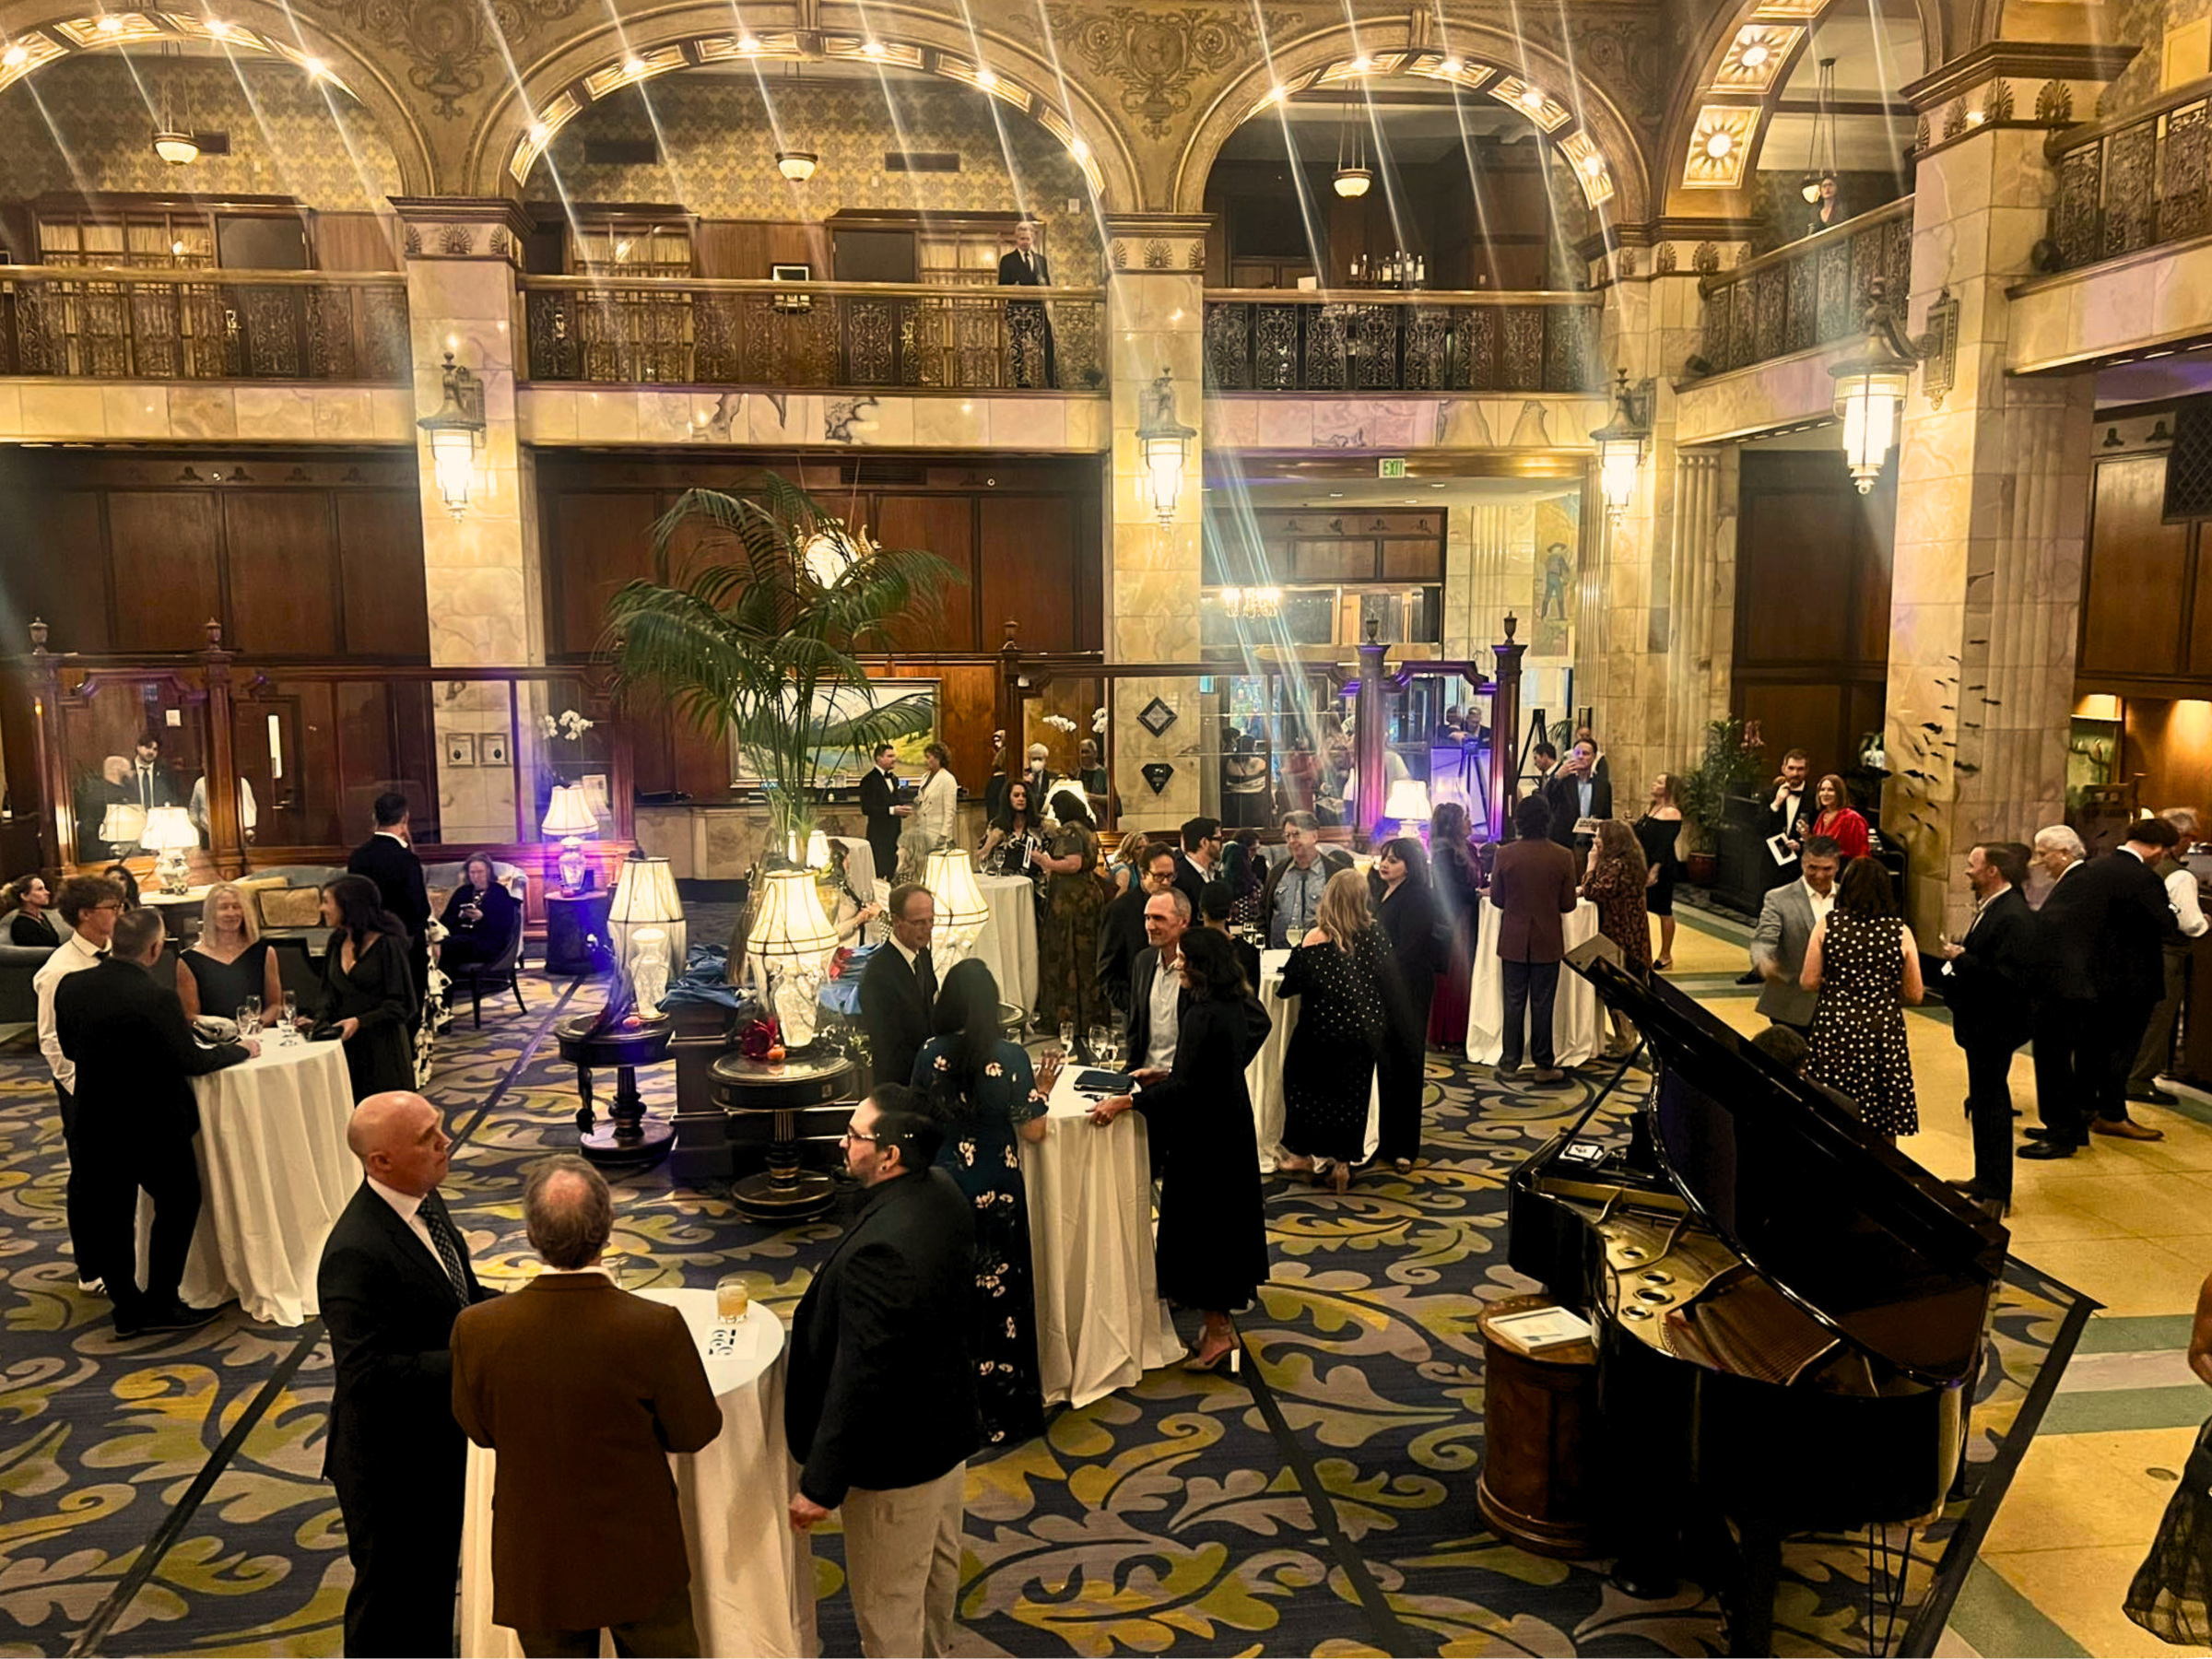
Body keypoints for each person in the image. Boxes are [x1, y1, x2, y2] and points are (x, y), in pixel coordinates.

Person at [451, 1156, 722, 1658]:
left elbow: (480, 1429)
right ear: (609, 1227)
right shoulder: (653, 1326)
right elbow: (694, 1430)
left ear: (531, 1234)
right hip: (639, 1554)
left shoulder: (477, 1329)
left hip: (539, 1560)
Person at [786, 1084, 979, 1659]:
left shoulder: (884, 1250)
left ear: (890, 1155)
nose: (845, 1144)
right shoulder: (942, 1192)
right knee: (935, 1576)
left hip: (896, 1458)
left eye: (855, 1135)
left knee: (888, 1604)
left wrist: (821, 1483)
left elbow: (861, 1372)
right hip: (945, 1429)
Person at [318, 1090, 496, 1658]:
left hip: (436, 1439)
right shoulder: (355, 1250)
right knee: (392, 1609)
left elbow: (460, 1296)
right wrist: (476, 1358)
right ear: (381, 1163)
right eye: (427, 1138)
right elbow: (366, 1375)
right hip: (390, 1464)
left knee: (430, 1596)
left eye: (439, 1127)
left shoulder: (423, 1198)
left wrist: (523, 1313)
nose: (444, 1142)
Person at [55, 905, 255, 1335]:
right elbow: (191, 1060)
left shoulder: (71, 986)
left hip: (94, 1120)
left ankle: (126, 1308)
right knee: (180, 1202)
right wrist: (241, 1050)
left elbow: (70, 1050)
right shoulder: (157, 998)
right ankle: (162, 1300)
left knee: (111, 1216)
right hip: (153, 1124)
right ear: (155, 949)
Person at [1087, 927, 1271, 1373]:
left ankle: (1219, 1335)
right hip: (1230, 1127)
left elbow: (1189, 1089)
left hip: (1204, 1142)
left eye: (1186, 960)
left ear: (1203, 965)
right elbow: (1205, 1071)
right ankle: (1217, 1324)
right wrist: (1171, 1073)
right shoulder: (1231, 1003)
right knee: (1223, 1229)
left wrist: (1126, 1101)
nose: (1180, 965)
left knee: (1202, 1235)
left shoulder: (1202, 1014)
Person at [913, 959, 1058, 1450]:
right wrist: (1041, 1091)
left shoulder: (931, 1054)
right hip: (998, 1189)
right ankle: (1001, 1412)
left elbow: (919, 1120)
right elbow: (1034, 1129)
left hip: (945, 1187)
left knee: (948, 1294)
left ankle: (947, 1407)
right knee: (1000, 1300)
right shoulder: (1011, 1057)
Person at [33, 874, 125, 1293]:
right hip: (83, 1089)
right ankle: (91, 1269)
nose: (120, 915)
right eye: (113, 908)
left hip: (122, 1081)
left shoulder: (119, 955)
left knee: (123, 1174)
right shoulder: (59, 970)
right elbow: (51, 1043)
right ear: (87, 915)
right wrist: (83, 1089)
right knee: (88, 1178)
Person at [1936, 841, 2037, 1207]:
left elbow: (2009, 978)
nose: (1967, 869)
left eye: (1973, 863)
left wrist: (1962, 960)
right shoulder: (1994, 907)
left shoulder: (2013, 914)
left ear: (1993, 871)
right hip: (1981, 1023)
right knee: (1982, 1100)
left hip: (1995, 1025)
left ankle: (1997, 1188)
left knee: (1991, 1102)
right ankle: (1985, 1176)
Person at [1278, 868, 1391, 1193]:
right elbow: (1386, 979)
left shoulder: (1316, 938)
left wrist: (1297, 955)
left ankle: (1302, 1154)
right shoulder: (1376, 934)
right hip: (1364, 1032)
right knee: (1351, 1097)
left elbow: (1289, 986)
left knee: (1302, 1085)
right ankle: (1342, 1165)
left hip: (1321, 1031)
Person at [1801, 856, 1924, 1141]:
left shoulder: (1828, 925)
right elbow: (1915, 994)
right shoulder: (1900, 932)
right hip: (1882, 1026)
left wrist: (1838, 989)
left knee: (1832, 1099)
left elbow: (1808, 980)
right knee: (1881, 1106)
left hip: (1836, 1023)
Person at [1490, 795, 1580, 1083]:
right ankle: (1543, 1064)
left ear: (1518, 821)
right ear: (1547, 820)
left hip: (1513, 939)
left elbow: (1497, 899)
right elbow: (1568, 905)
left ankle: (1509, 1062)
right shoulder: (1563, 855)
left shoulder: (1504, 854)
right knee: (1544, 1003)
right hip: (1548, 939)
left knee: (1513, 1002)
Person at [309, 874, 419, 1100]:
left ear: (349, 905)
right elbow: (327, 993)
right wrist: (318, 1021)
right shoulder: (337, 940)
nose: (322, 908)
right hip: (344, 1047)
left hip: (382, 1049)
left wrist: (360, 1022)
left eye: (327, 901)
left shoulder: (388, 944)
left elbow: (402, 1005)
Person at [2129, 808, 2210, 1106]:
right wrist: (2206, 922)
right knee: (2159, 1018)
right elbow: (2190, 923)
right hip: (2169, 954)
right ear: (2180, 838)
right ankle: (2138, 1079)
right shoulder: (2180, 875)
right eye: (2191, 837)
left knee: (2139, 1017)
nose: (2192, 843)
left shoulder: (2144, 868)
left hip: (2139, 951)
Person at [1371, 839, 1443, 1175]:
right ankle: (1383, 1139)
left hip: (1409, 988)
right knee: (1384, 1062)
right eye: (1384, 858)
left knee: (1407, 1062)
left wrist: (1373, 968)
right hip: (1384, 988)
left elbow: (1409, 949)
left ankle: (1404, 1146)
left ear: (1410, 866)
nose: (1385, 864)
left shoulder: (1418, 897)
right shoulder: (1379, 892)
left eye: (1394, 861)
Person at [1033, 790, 1107, 1042]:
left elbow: (1073, 863)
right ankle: (1089, 1016)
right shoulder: (1087, 829)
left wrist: (1046, 861)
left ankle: (1068, 1018)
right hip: (1087, 897)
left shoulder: (1071, 831)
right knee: (1087, 958)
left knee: (1066, 956)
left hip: (1070, 903)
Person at [1750, 835, 1842, 1035]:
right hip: (1791, 1004)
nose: (1818, 875)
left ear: (1837, 866)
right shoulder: (1778, 898)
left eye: (1826, 869)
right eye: (1812, 867)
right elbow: (1764, 938)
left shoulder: (1849, 899)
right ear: (1802, 863)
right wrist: (1763, 961)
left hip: (1840, 1007)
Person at [348, 791, 431, 1006]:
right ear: (405, 819)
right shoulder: (406, 859)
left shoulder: (358, 857)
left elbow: (352, 902)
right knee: (407, 1007)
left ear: (375, 818)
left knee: (374, 1005)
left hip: (367, 944)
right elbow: (419, 909)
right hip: (405, 946)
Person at [1581, 818, 1652, 1057]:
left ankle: (1625, 1040)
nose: (1595, 840)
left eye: (1598, 836)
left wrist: (1590, 865)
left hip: (1618, 936)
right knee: (1627, 986)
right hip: (1633, 934)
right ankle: (1628, 1037)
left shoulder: (1616, 866)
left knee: (1614, 987)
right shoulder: (1630, 862)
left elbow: (1594, 891)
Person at [859, 884, 939, 1093]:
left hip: (926, 1080)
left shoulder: (923, 956)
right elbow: (889, 1049)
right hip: (898, 1089)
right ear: (896, 921)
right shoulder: (878, 975)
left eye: (931, 920)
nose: (928, 928)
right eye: (919, 922)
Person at [176, 878, 284, 1020]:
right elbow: (190, 1016)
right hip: (215, 1038)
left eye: (236, 906)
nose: (231, 913)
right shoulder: (188, 961)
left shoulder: (265, 952)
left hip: (261, 1034)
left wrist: (254, 1027)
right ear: (211, 914)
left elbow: (275, 1006)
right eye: (224, 907)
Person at [1096, 841, 1178, 1018]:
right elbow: (1107, 970)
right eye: (1159, 876)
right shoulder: (1120, 911)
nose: (1165, 883)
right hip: (1138, 1007)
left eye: (1170, 876)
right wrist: (1132, 1005)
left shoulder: (1179, 903)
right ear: (1143, 875)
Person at [1428, 802, 1482, 1048]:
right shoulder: (1443, 853)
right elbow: (1447, 890)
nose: (1469, 822)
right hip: (1454, 919)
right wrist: (1478, 894)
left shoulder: (1468, 848)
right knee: (1455, 975)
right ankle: (1450, 1032)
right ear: (1453, 825)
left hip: (1468, 915)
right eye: (1464, 818)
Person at [1262, 810, 1354, 949]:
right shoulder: (1277, 872)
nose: (1292, 841)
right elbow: (1263, 911)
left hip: (1321, 955)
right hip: (1278, 954)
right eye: (1288, 836)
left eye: (1297, 834)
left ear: (1314, 836)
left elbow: (1347, 915)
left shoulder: (1335, 873)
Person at [1124, 886, 1194, 1073]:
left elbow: (1257, 1022)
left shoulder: (1200, 966)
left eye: (1159, 918)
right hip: (1143, 1078)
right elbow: (1135, 1027)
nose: (1150, 926)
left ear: (1183, 922)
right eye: (1148, 918)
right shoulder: (1143, 961)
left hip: (1183, 1084)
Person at [997, 219, 1056, 389]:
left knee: (1048, 341)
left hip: (1038, 309)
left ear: (1033, 239)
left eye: (1028, 238)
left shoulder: (1040, 260)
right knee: (1018, 347)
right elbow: (1001, 287)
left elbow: (1047, 285)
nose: (1025, 241)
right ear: (1017, 239)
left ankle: (1052, 381)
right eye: (1022, 238)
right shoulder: (1007, 260)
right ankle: (1021, 382)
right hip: (1017, 310)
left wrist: (1043, 284)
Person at [1633, 774, 1685, 970]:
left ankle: (1666, 954)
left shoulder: (1672, 813)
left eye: (1659, 782)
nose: (1654, 784)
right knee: (1642, 908)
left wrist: (1654, 870)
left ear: (1668, 788)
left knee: (1663, 910)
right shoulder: (1653, 808)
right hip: (1643, 864)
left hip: (1661, 867)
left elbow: (1664, 845)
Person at [438, 853, 521, 973]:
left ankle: (446, 988)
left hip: (488, 943)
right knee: (440, 944)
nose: (476, 876)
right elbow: (444, 922)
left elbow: (506, 924)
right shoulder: (463, 892)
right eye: (472, 873)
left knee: (449, 947)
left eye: (480, 872)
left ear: (488, 872)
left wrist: (483, 917)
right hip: (461, 939)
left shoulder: (498, 892)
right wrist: (459, 916)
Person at [1541, 738, 1612, 863]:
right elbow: (1545, 800)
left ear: (1594, 757)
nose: (1580, 757)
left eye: (1585, 754)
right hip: (1564, 842)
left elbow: (1607, 816)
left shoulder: (1603, 785)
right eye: (1577, 753)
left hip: (1591, 844)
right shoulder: (1563, 781)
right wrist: (1557, 777)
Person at [900, 743, 959, 877]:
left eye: (928, 757)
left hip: (937, 831)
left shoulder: (948, 779)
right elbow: (923, 797)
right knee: (923, 868)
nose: (926, 761)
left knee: (938, 870)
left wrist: (944, 835)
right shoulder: (926, 777)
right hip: (923, 828)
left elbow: (950, 811)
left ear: (938, 758)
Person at [859, 743, 905, 892]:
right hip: (879, 835)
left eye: (894, 755)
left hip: (895, 834)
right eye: (890, 756)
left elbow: (894, 802)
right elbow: (867, 809)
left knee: (893, 870)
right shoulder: (868, 780)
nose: (894, 759)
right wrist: (892, 810)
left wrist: (902, 810)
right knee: (879, 871)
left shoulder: (894, 779)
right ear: (879, 758)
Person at [1200, 883, 1263, 991]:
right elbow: (1252, 996)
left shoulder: (1191, 948)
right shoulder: (1247, 952)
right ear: (1231, 910)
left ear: (1202, 909)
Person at [1808, 772, 1872, 861]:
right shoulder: (1822, 816)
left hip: (1845, 870)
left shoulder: (1852, 818)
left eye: (1830, 790)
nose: (1825, 794)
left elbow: (1862, 853)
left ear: (1839, 793)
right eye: (1822, 790)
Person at [1767, 748, 1812, 873]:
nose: (1795, 773)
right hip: (1770, 863)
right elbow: (1759, 827)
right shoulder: (1770, 793)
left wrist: (1801, 846)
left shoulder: (1814, 798)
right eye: (1791, 768)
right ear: (1783, 769)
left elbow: (1818, 834)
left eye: (1800, 769)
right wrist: (1776, 803)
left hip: (1800, 866)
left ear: (1807, 770)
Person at [1174, 817, 1222, 914]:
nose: (1221, 845)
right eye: (1219, 839)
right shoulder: (1179, 877)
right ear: (1204, 842)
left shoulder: (1215, 875)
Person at [126, 729, 180, 815]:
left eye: (155, 749)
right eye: (148, 747)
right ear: (138, 747)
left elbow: (173, 799)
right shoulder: (126, 771)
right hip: (133, 820)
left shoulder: (165, 772)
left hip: (159, 820)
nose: (151, 752)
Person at [6, 872, 58, 946]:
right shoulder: (21, 925)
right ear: (24, 896)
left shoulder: (41, 916)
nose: (47, 892)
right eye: (40, 889)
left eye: (45, 888)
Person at [1021, 741, 1056, 807]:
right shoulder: (1022, 776)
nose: (1037, 762)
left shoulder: (1052, 777)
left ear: (1045, 761)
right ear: (1029, 760)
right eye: (1034, 759)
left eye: (1040, 759)